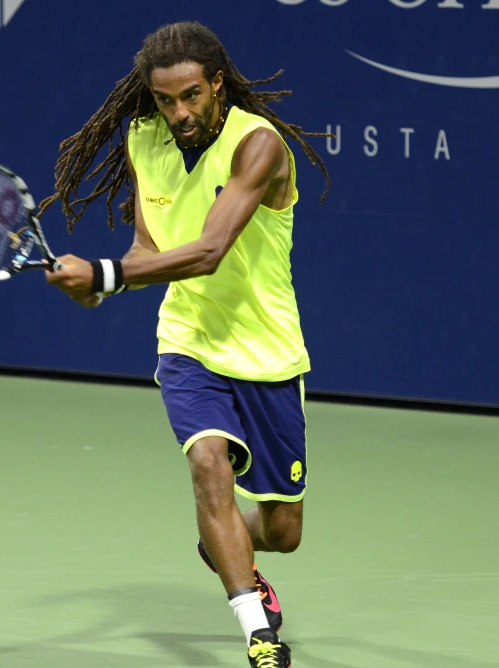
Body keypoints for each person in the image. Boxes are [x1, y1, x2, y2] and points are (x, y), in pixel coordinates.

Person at [40, 20, 331, 668]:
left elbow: (204, 252)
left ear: (217, 85)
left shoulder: (258, 147)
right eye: (165, 100)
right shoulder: (144, 138)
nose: (178, 112)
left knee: (283, 531)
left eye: (191, 96)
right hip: (188, 341)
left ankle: (220, 538)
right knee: (206, 464)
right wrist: (99, 287)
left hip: (267, 351)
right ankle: (258, 635)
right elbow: (151, 250)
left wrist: (106, 273)